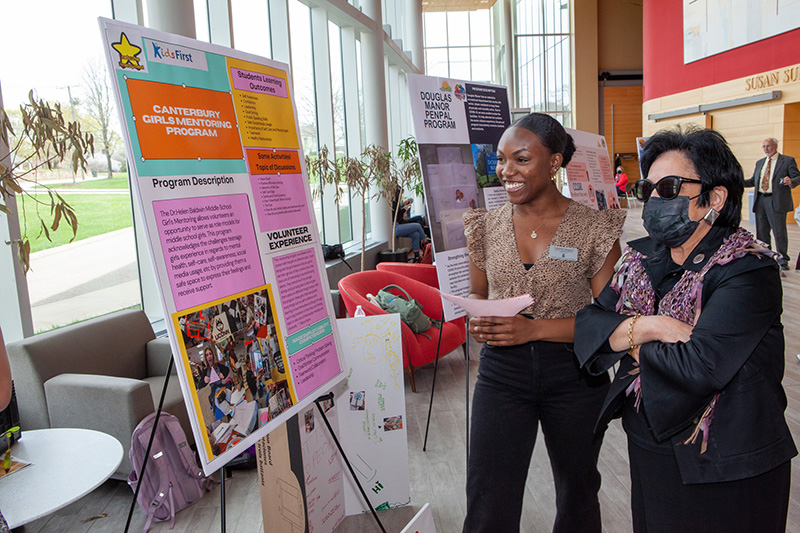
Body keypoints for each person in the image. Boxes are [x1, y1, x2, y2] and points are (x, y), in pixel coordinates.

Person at [575, 127, 797, 532]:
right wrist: (651, 326)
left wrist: (626, 338)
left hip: (727, 462)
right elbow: (589, 326)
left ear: (714, 198)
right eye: (649, 188)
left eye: (670, 187)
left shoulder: (747, 267)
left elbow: (699, 365)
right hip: (651, 446)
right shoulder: (640, 259)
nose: (655, 199)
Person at [462, 112, 625, 533]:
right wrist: (479, 317)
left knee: (578, 490)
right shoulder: (485, 227)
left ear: (554, 163)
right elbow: (478, 293)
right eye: (500, 160)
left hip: (576, 374)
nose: (505, 171)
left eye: (520, 159)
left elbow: (610, 319)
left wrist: (533, 329)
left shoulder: (595, 229)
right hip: (501, 374)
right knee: (488, 494)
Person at [743, 137, 800, 270]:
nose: (766, 149)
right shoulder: (760, 163)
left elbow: (797, 177)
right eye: (764, 146)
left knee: (779, 232)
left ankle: (783, 259)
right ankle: (765, 256)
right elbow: (753, 181)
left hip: (777, 200)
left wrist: (791, 181)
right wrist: (737, 181)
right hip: (761, 200)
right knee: (761, 231)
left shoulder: (787, 160)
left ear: (775, 146)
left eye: (768, 146)